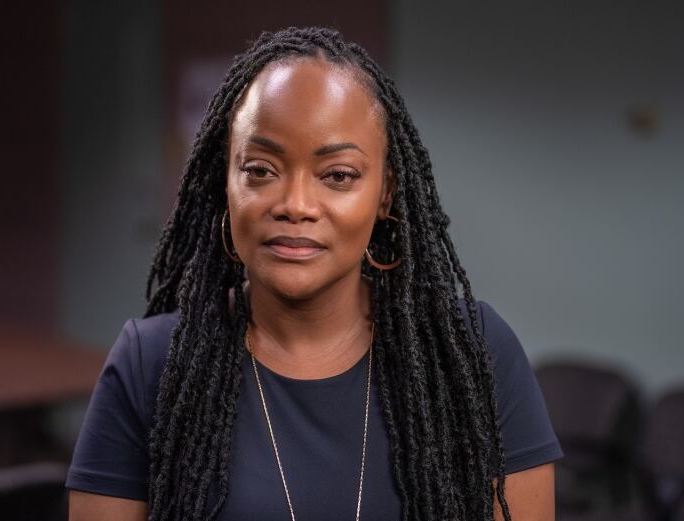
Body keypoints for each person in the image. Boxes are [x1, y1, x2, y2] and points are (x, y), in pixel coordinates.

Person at [66, 26, 563, 521]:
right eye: (260, 169)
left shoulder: (470, 353)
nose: (296, 205)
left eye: (338, 176)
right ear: (226, 182)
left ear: (385, 194)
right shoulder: (151, 363)